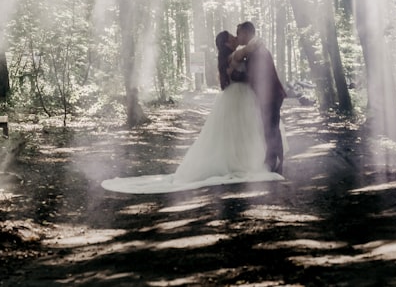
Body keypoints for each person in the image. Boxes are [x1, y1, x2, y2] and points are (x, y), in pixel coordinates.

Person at [101, 30, 284, 194]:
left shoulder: (237, 53)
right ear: (227, 43)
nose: (236, 38)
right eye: (232, 37)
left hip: (244, 97)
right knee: (235, 131)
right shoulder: (228, 55)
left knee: (245, 130)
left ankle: (255, 159)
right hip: (235, 96)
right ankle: (242, 161)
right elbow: (231, 75)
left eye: (237, 35)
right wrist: (248, 76)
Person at [232, 21, 286, 174]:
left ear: (247, 33)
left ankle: (274, 163)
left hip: (271, 95)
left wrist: (236, 76)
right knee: (270, 128)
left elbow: (254, 76)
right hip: (269, 95)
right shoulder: (254, 49)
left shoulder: (257, 51)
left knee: (271, 129)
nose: (237, 37)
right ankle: (275, 162)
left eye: (239, 33)